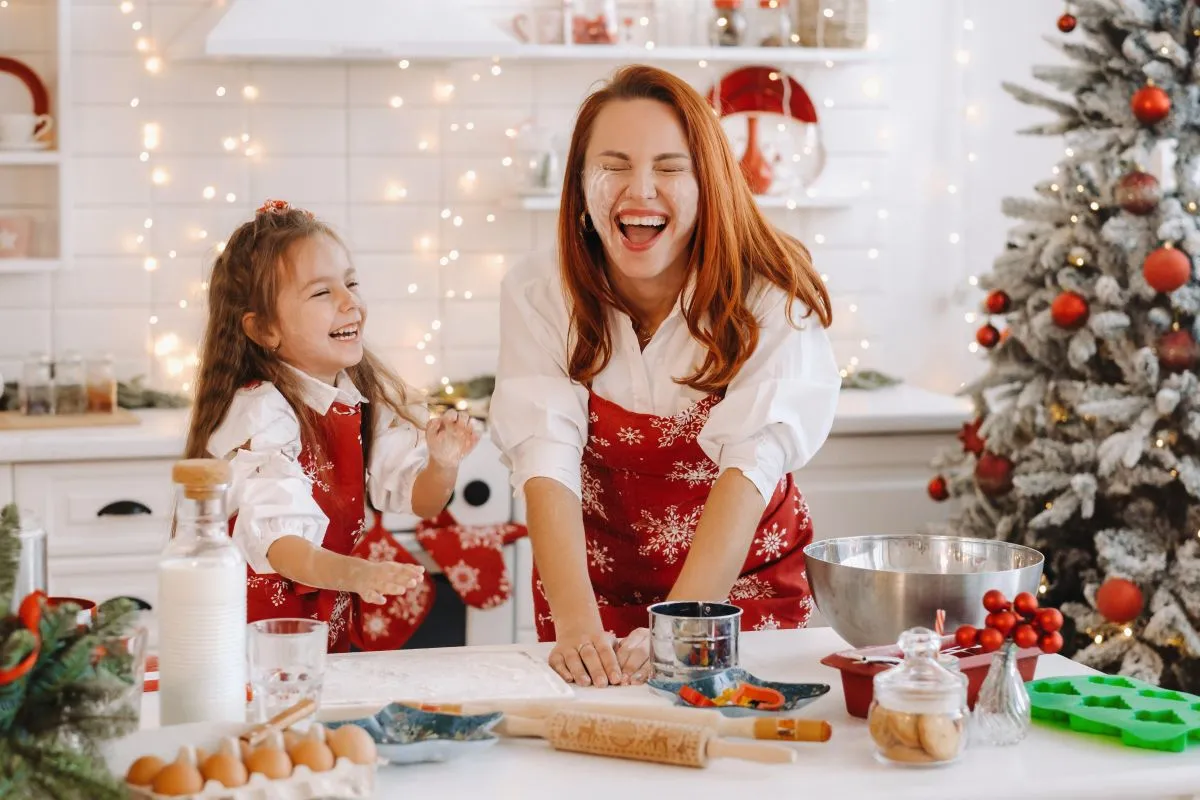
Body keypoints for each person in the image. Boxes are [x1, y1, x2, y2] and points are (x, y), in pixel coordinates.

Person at [491, 65, 841, 688]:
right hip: (591, 594)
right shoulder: (539, 291)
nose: (640, 190)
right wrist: (577, 624)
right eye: (614, 165)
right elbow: (545, 457)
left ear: (709, 182)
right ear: (579, 183)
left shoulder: (770, 293)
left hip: (741, 590)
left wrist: (680, 628)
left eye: (670, 168)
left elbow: (749, 467)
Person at [184, 199, 480, 653]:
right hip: (252, 647)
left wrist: (442, 464)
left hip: (317, 638)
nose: (350, 302)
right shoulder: (261, 412)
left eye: (351, 283)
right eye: (322, 293)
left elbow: (424, 502)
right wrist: (356, 573)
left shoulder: (357, 397)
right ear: (264, 330)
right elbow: (281, 544)